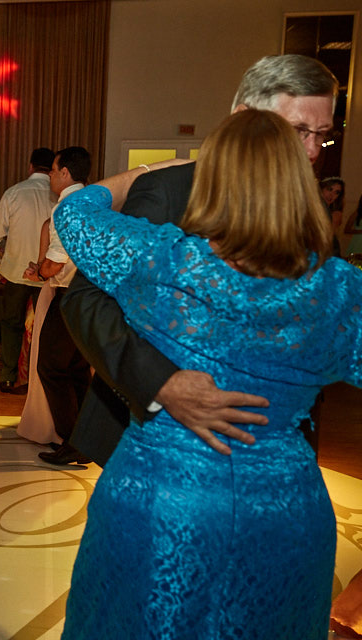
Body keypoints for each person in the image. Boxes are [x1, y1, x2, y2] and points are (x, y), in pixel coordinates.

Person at [55, 109, 358, 639]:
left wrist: (138, 175)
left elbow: (74, 210)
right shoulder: (337, 291)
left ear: (211, 179)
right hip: (283, 509)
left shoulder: (163, 259)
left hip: (159, 498)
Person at [61, 53, 339, 467]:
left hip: (273, 445)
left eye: (322, 136)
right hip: (158, 440)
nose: (312, 151)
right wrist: (163, 385)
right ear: (243, 117)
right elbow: (87, 300)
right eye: (298, 130)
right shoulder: (171, 190)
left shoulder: (313, 205)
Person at [32, 147, 92, 465]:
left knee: (51, 367)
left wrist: (41, 271)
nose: (51, 177)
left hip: (69, 294)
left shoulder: (66, 206)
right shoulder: (94, 200)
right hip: (90, 294)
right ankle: (86, 438)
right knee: (77, 368)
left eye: (53, 171)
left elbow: (56, 261)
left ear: (66, 173)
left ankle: (73, 440)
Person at [0, 147, 55, 393]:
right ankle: (41, 382)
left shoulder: (14, 192)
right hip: (48, 272)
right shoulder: (58, 195)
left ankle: (8, 376)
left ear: (30, 166)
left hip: (16, 271)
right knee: (46, 327)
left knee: (11, 324)